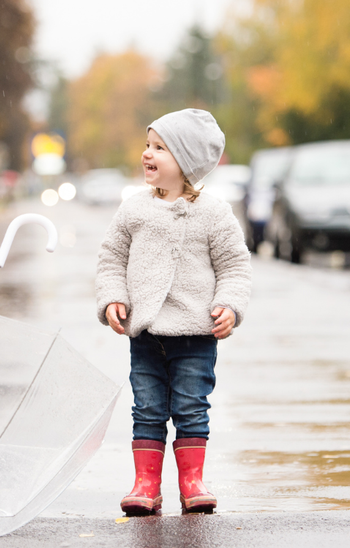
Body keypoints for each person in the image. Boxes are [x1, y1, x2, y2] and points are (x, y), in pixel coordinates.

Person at [96, 108, 252, 515]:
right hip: (145, 334)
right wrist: (113, 296)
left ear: (186, 162)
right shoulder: (133, 209)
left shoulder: (213, 213)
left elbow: (234, 265)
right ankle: (145, 484)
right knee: (146, 407)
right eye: (147, 145)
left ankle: (191, 481)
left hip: (195, 335)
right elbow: (111, 258)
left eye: (160, 148)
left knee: (190, 406)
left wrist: (230, 306)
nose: (147, 154)